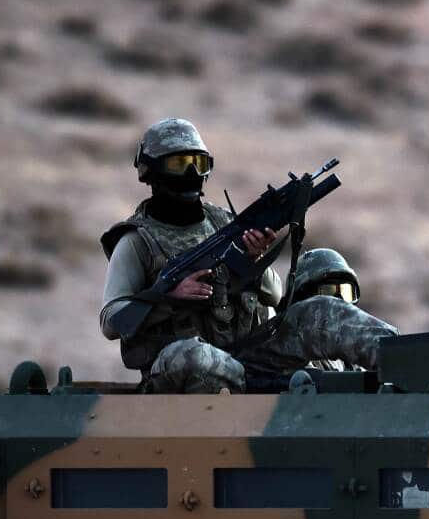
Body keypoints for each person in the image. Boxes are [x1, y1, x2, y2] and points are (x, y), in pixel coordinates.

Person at [99, 118, 393, 393]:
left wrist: (253, 261)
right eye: (178, 164)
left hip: (250, 354)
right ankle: (267, 390)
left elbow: (276, 296)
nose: (190, 174)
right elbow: (111, 321)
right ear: (150, 171)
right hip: (183, 366)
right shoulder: (136, 241)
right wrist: (169, 298)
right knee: (193, 356)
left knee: (320, 312)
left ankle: (406, 362)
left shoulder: (226, 224)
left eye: (198, 163)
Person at [237, 247, 397, 378]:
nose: (339, 301)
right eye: (327, 291)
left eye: (346, 291)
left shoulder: (350, 361)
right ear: (301, 299)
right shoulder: (284, 350)